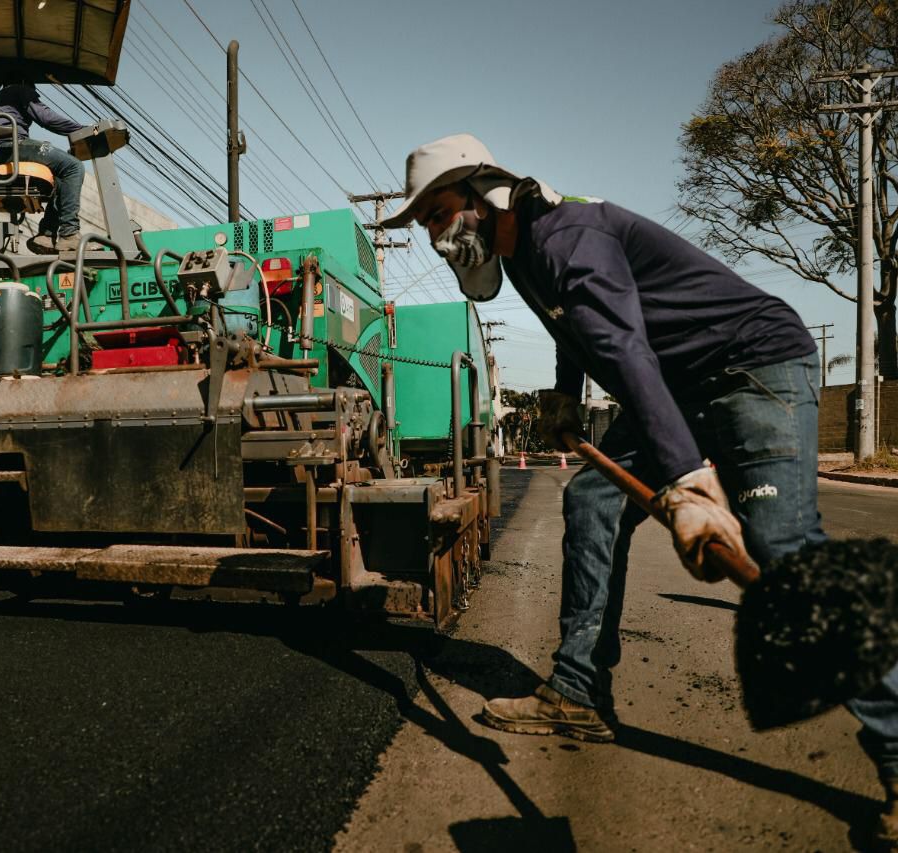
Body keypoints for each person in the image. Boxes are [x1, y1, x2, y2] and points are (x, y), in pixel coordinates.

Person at [382, 133, 898, 847]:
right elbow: (576, 332)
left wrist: (688, 485)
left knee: (784, 551)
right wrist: (564, 397)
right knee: (591, 497)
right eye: (428, 225)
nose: (438, 237)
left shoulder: (568, 238)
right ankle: (577, 690)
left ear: (482, 192)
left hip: (754, 365)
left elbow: (625, 350)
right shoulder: (524, 248)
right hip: (683, 382)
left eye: (439, 214)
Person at [0, 83, 88, 255]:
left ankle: (46, 234)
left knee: (61, 178)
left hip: (3, 151)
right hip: (11, 146)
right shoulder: (20, 89)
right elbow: (46, 118)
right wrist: (82, 129)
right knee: (73, 166)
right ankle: (69, 234)